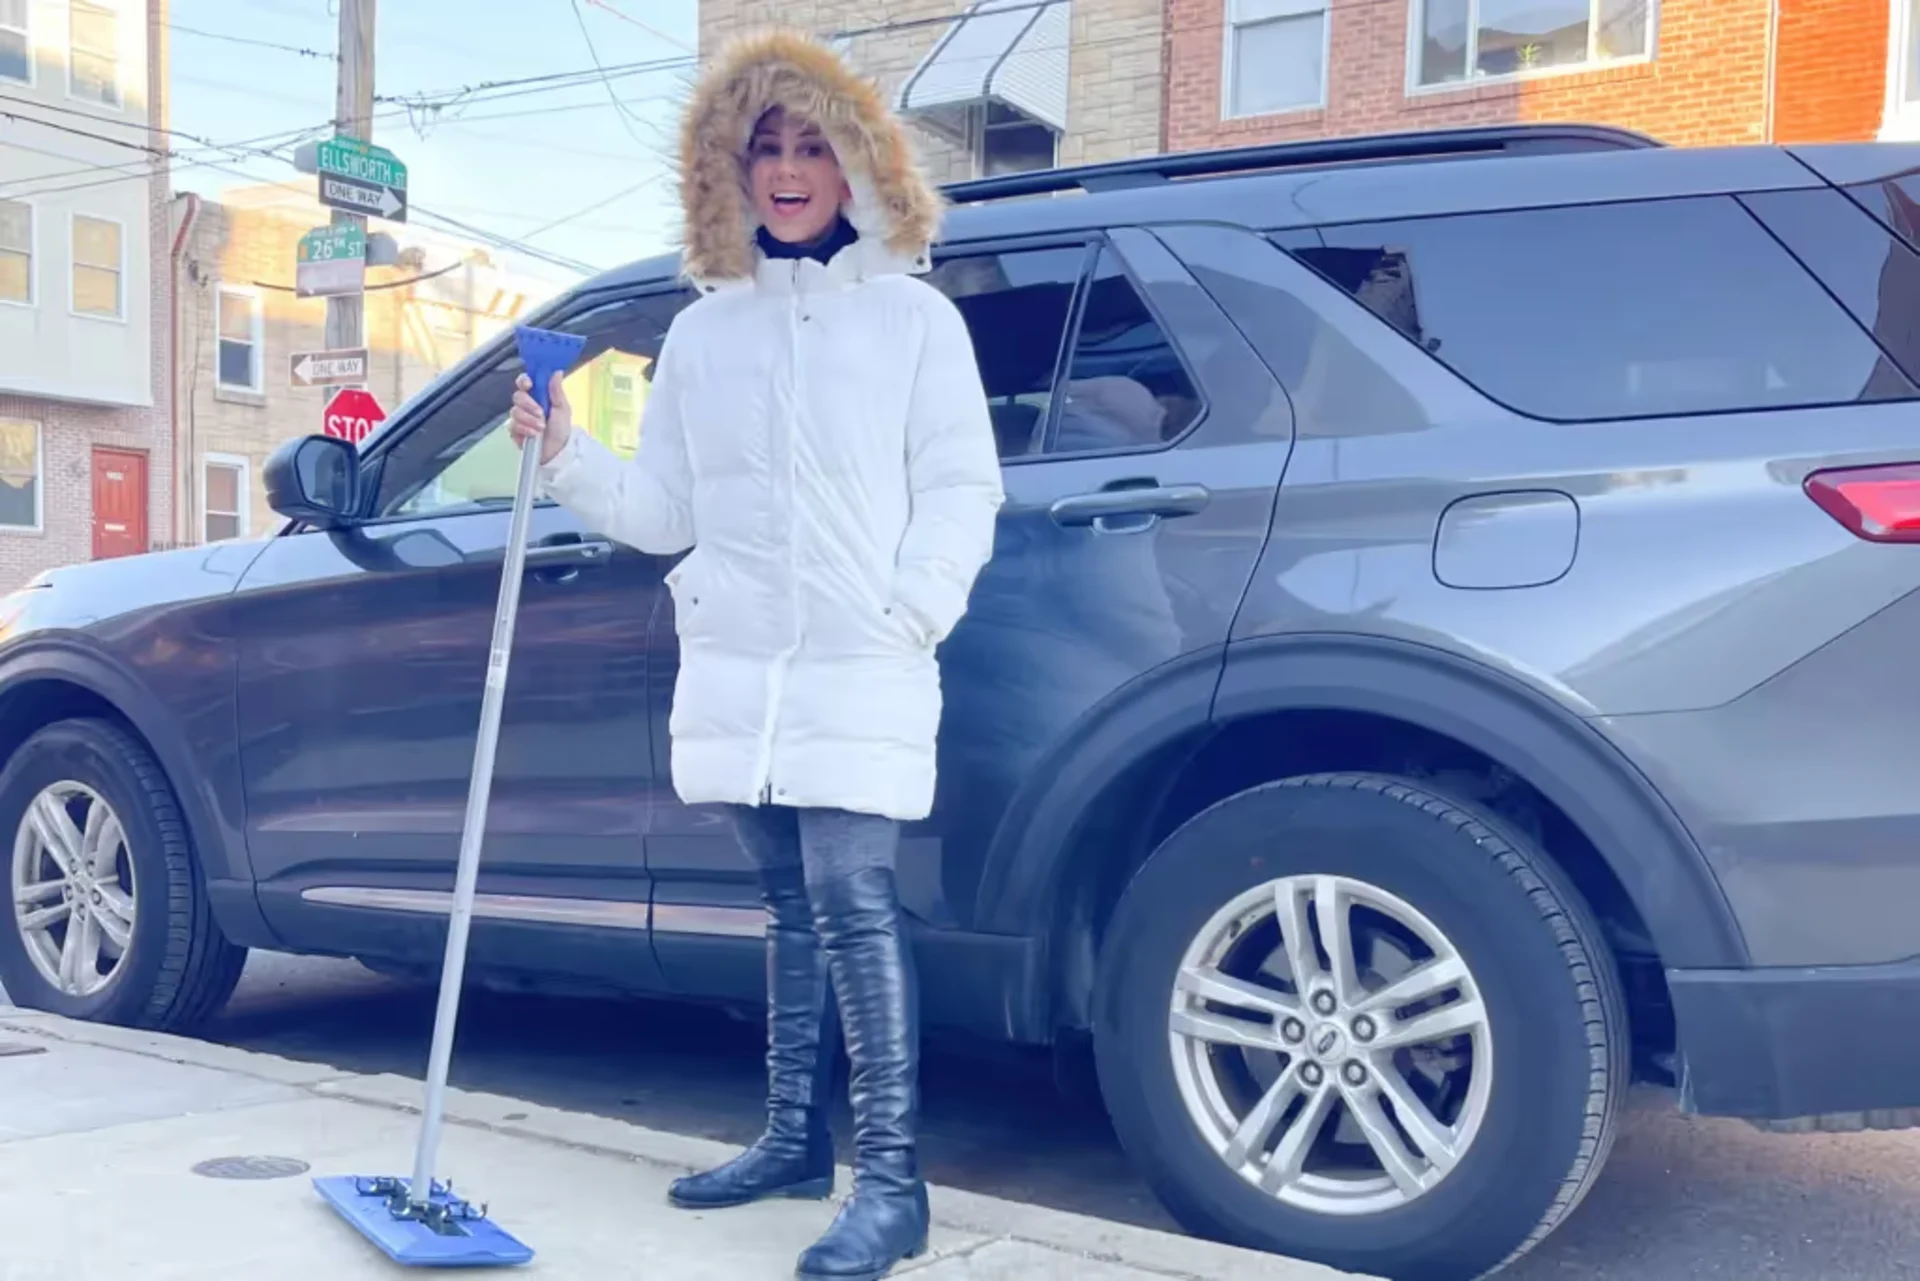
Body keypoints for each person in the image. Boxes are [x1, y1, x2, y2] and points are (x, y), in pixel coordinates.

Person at [507, 28, 1004, 1281]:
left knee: (851, 901)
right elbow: (668, 510)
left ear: (857, 168)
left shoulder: (912, 321)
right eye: (763, 148)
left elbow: (961, 485)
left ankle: (890, 1182)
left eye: (810, 146)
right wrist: (563, 452)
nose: (787, 170)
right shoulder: (704, 337)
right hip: (737, 667)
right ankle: (789, 1136)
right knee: (784, 904)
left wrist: (911, 610)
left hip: (860, 659)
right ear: (729, 174)